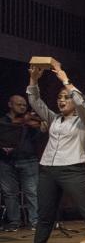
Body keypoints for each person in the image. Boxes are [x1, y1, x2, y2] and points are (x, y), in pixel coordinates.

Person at [14, 61, 85, 243]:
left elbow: (80, 102)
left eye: (66, 98)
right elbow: (35, 101)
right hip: (48, 169)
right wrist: (34, 79)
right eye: (59, 98)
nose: (61, 101)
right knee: (45, 212)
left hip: (73, 169)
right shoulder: (54, 119)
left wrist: (64, 79)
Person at [1, 94, 42, 231]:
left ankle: (35, 221)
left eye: (24, 105)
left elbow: (40, 133)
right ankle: (14, 222)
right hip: (6, 161)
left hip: (28, 160)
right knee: (9, 192)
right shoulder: (3, 121)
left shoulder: (30, 123)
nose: (23, 107)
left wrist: (31, 124)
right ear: (10, 104)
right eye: (19, 104)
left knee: (32, 191)